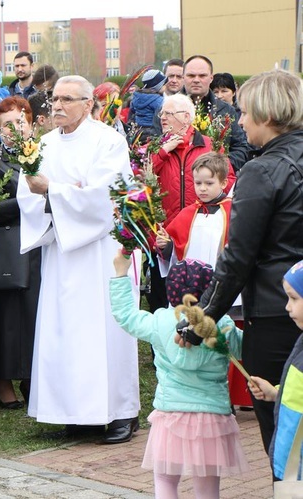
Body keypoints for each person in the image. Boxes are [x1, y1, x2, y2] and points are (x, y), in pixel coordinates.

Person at [18, 75, 140, 444]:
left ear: (88, 104)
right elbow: (29, 192)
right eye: (54, 98)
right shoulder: (44, 144)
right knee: (66, 332)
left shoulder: (109, 142)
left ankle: (121, 412)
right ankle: (74, 413)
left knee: (105, 331)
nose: (56, 105)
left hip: (100, 253)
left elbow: (107, 197)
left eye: (66, 99)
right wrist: (66, 192)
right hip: (61, 250)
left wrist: (55, 189)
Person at [197, 69, 303, 454]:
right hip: (290, 300)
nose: (240, 121)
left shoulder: (261, 170)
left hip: (279, 313)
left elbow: (238, 256)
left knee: (286, 436)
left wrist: (203, 317)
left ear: (267, 114)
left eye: (244, 113)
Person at [111, 255, 248, 498]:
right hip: (212, 418)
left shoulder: (159, 321)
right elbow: (246, 347)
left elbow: (127, 317)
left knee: (165, 480)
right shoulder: (222, 324)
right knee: (207, 487)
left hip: (171, 415)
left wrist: (121, 274)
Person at [0, 96, 42, 408]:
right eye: (7, 125)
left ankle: (33, 377)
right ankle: (1, 380)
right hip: (7, 248)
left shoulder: (46, 156)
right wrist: (29, 201)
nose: (15, 129)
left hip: (41, 249)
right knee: (3, 318)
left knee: (35, 316)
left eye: (20, 122)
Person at [248, 259, 303, 481]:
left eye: (294, 298)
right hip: (292, 462)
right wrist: (275, 393)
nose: (287, 306)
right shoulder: (301, 341)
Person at [152, 94, 236, 226]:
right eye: (162, 113)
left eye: (168, 113)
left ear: (186, 117)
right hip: (165, 229)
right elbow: (140, 178)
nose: (162, 117)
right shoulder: (155, 147)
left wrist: (209, 205)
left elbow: (228, 181)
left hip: (202, 224)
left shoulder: (210, 145)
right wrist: (163, 152)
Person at [129, 69, 166, 136]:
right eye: (164, 84)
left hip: (138, 133)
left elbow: (132, 114)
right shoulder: (158, 100)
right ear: (157, 86)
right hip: (153, 133)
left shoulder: (136, 97)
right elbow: (159, 120)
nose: (165, 86)